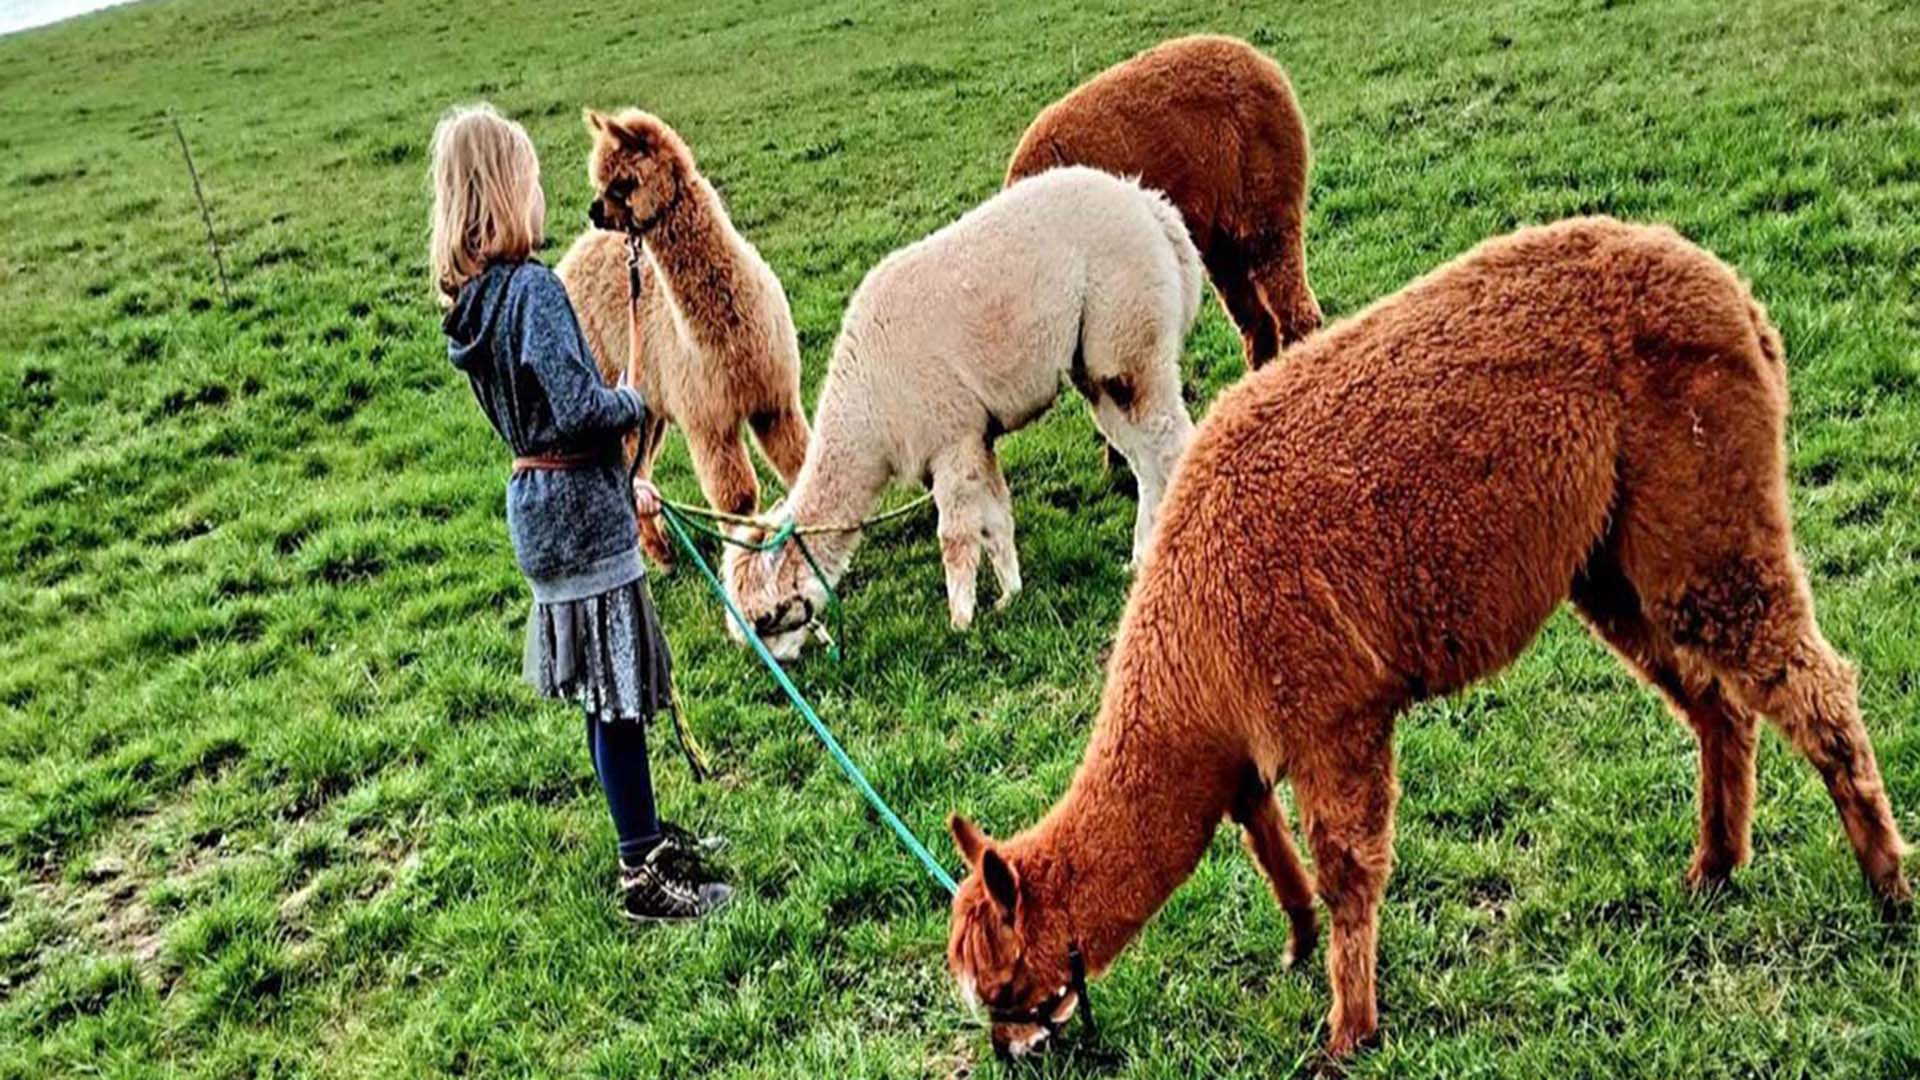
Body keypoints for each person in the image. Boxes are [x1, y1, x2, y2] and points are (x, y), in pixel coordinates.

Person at [429, 102, 729, 921]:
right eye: (530, 182)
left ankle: (646, 836)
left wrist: (615, 475)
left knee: (606, 692)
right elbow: (575, 405)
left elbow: (534, 419)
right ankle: (644, 873)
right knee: (623, 689)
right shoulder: (532, 291)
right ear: (502, 195)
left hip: (542, 504)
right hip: (578, 510)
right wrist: (629, 402)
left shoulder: (475, 307)